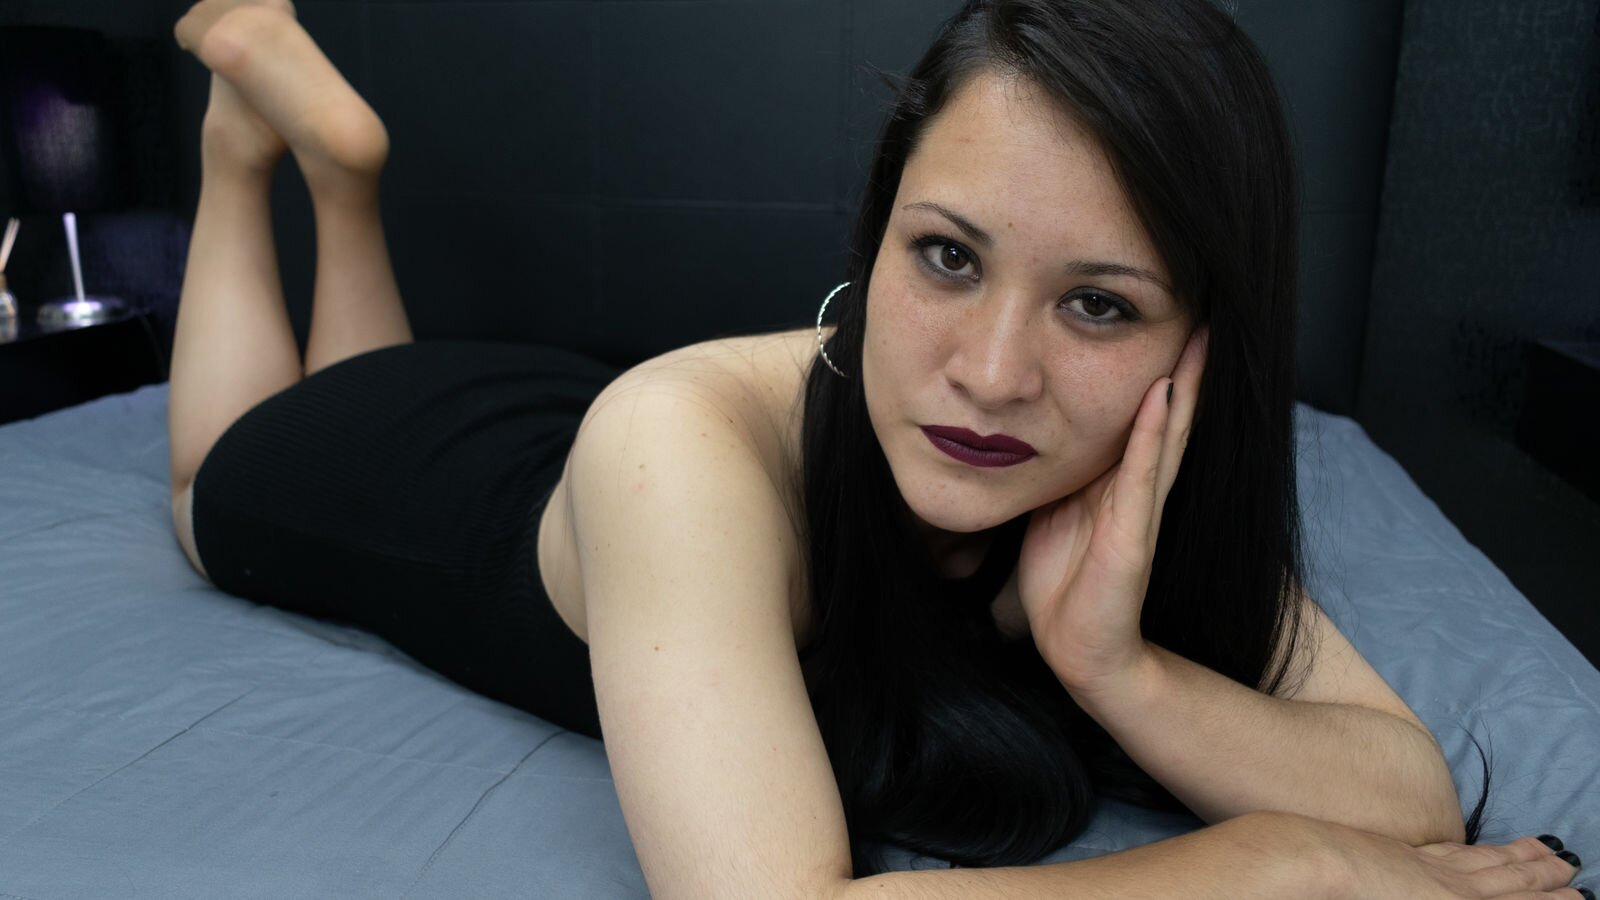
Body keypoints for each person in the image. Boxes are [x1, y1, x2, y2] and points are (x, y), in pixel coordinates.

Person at [166, 0, 1590, 896]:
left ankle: (342, 182)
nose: (991, 376)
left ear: (1201, 347)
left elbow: (1406, 792)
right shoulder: (676, 438)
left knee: (398, 374)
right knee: (205, 476)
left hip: (547, 426)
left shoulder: (1136, 469)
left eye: (1099, 304)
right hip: (394, 480)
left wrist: (1122, 668)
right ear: (878, 234)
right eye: (948, 257)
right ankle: (247, 161)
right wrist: (1278, 865)